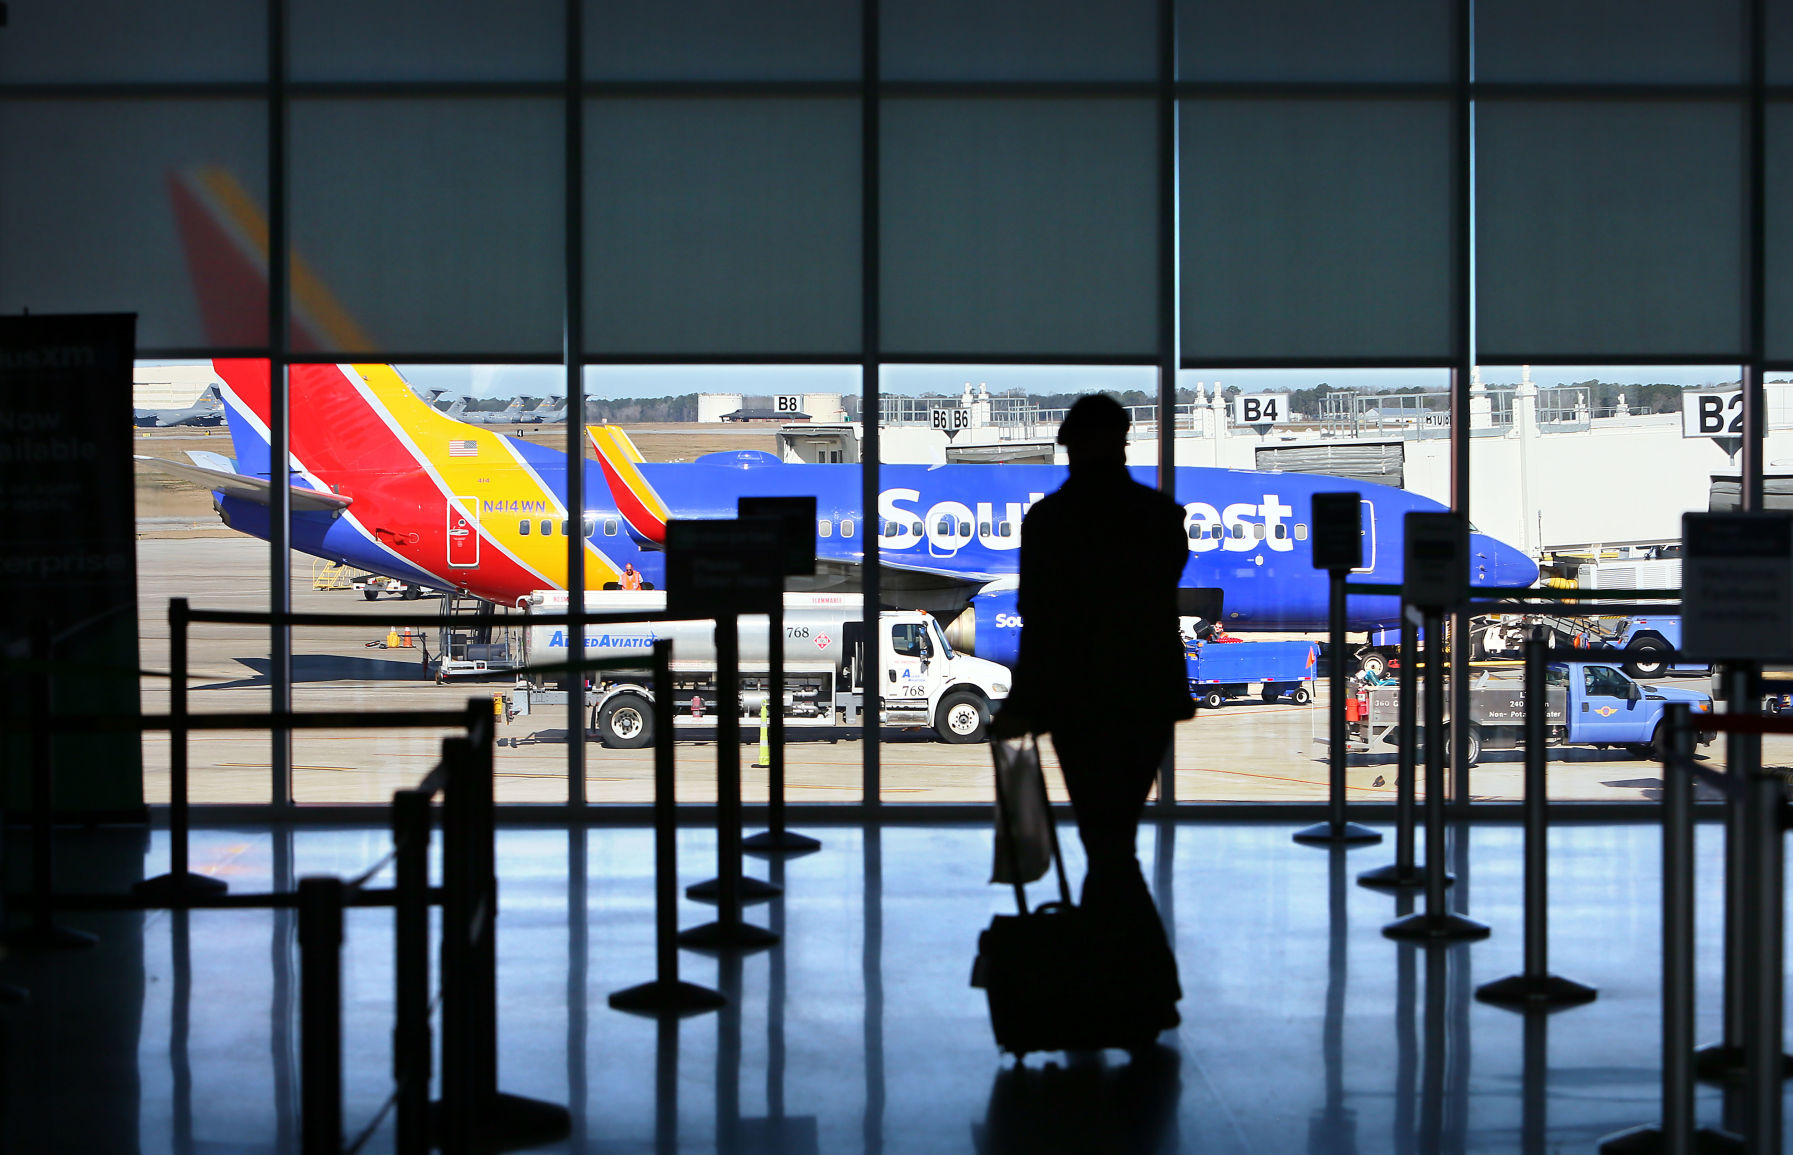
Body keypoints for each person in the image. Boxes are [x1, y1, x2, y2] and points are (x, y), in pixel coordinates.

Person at [992, 393, 1191, 1035]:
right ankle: (1126, 987)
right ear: (1124, 440)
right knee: (1114, 842)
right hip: (1144, 702)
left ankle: (1141, 987)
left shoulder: (1049, 523)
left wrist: (1021, 706)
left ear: (1069, 444)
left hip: (1081, 705)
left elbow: (1041, 624)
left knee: (1105, 845)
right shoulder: (1161, 517)